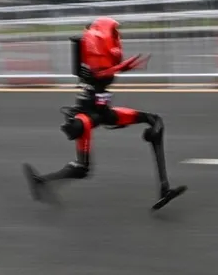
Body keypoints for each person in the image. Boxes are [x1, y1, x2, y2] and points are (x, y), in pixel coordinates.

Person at [22, 16, 187, 210]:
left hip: (104, 112)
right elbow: (100, 75)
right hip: (87, 117)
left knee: (154, 120)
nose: (117, 40)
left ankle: (164, 188)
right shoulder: (90, 62)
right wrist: (122, 67)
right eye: (115, 36)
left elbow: (106, 73)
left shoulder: (100, 60)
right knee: (83, 169)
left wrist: (120, 67)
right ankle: (41, 181)